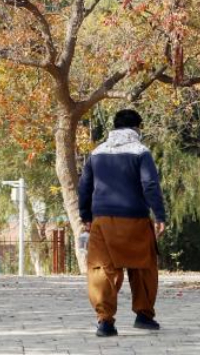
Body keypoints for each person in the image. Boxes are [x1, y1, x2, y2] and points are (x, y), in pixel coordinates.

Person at [77, 108, 167, 337]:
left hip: (103, 221)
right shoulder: (141, 152)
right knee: (143, 267)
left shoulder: (96, 153)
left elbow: (84, 186)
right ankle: (144, 316)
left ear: (115, 127)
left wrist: (86, 216)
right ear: (137, 128)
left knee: (102, 271)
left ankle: (105, 322)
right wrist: (160, 215)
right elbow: (150, 185)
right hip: (135, 219)